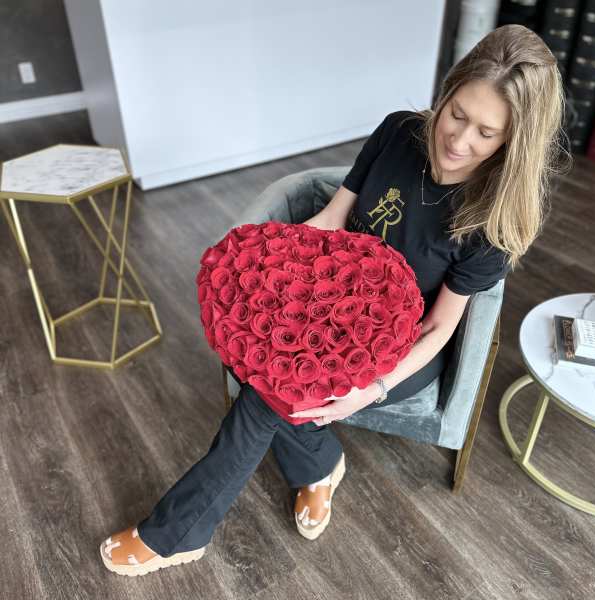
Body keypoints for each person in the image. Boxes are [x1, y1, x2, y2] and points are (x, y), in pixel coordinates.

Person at [100, 23, 569, 576]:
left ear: (513, 142)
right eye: (457, 114)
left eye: (486, 133)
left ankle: (179, 530)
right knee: (260, 354)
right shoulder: (400, 132)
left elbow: (439, 327)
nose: (459, 141)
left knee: (269, 391)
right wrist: (259, 278)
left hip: (399, 346)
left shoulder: (493, 220)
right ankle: (318, 465)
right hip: (327, 304)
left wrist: (373, 387)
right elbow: (330, 221)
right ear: (446, 94)